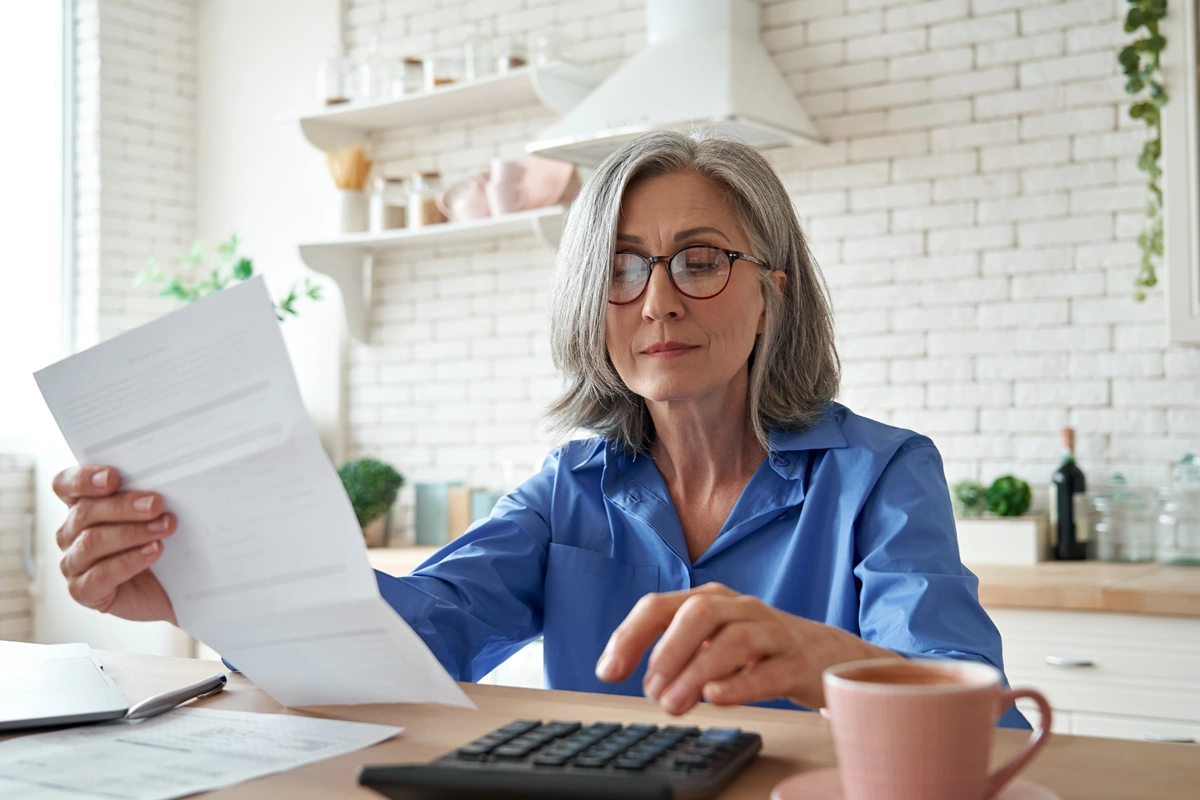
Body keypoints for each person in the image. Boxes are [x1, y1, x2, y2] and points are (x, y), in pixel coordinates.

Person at [53, 131, 1026, 727]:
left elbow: (976, 704)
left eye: (697, 260)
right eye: (621, 266)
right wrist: (197, 584)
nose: (656, 301)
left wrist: (820, 659)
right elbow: (413, 634)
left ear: (771, 293)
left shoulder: (882, 475)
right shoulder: (571, 488)